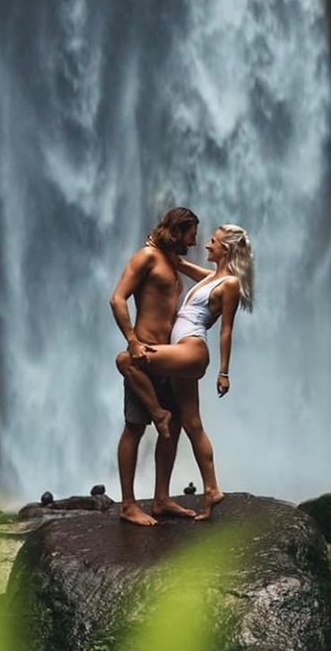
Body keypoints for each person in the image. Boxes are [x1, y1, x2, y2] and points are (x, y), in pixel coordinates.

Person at [116, 224, 254, 519]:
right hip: (178, 352)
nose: (206, 245)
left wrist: (224, 371)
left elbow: (227, 330)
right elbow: (182, 266)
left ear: (226, 250)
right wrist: (166, 251)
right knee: (192, 424)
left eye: (213, 242)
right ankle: (211, 490)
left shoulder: (228, 283)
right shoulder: (212, 278)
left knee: (126, 360)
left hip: (191, 352)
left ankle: (158, 412)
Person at [109, 206, 201, 526]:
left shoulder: (172, 263)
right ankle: (129, 504)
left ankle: (161, 498)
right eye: (192, 234)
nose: (196, 241)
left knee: (173, 429)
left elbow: (219, 281)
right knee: (134, 428)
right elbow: (118, 298)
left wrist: (181, 262)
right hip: (145, 355)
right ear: (177, 230)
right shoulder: (146, 257)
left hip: (168, 356)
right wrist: (133, 341)